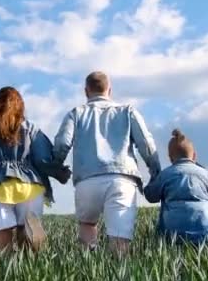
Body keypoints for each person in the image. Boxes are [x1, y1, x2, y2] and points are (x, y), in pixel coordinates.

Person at [53, 71, 161, 256]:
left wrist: (57, 166)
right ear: (109, 90)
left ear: (86, 91)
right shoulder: (128, 111)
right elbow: (146, 144)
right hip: (122, 180)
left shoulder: (76, 113)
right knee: (120, 239)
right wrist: (155, 169)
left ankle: (88, 272)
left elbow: (62, 143)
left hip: (87, 180)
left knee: (87, 225)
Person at [0, 86, 70, 252]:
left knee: (1, 232)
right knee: (27, 228)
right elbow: (42, 159)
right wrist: (58, 172)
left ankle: (6, 264)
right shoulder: (30, 128)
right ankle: (30, 249)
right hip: (29, 187)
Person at [144, 129, 208, 244]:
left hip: (172, 234)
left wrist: (154, 176)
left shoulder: (165, 175)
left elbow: (150, 196)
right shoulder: (205, 174)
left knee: (160, 226)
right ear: (194, 155)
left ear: (170, 157)